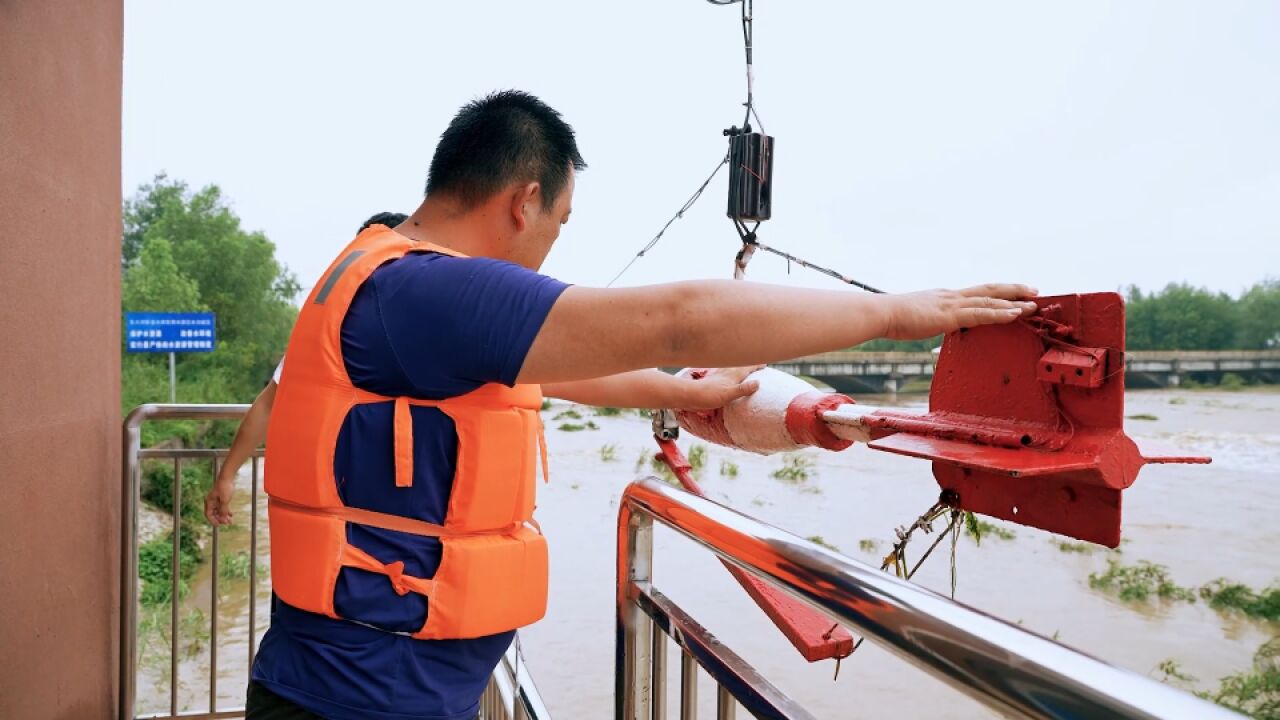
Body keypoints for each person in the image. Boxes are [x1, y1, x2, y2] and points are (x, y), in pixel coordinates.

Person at [242, 90, 1038, 720]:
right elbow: (679, 317)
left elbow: (558, 373)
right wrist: (898, 315)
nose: (553, 242)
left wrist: (674, 391)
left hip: (366, 684)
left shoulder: (385, 273)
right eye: (559, 221)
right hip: (364, 700)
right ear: (523, 201)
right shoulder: (429, 289)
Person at [204, 212, 408, 526]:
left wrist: (228, 475)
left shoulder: (419, 325)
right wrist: (227, 476)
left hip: (393, 500)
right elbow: (269, 406)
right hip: (351, 500)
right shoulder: (329, 326)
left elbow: (268, 405)